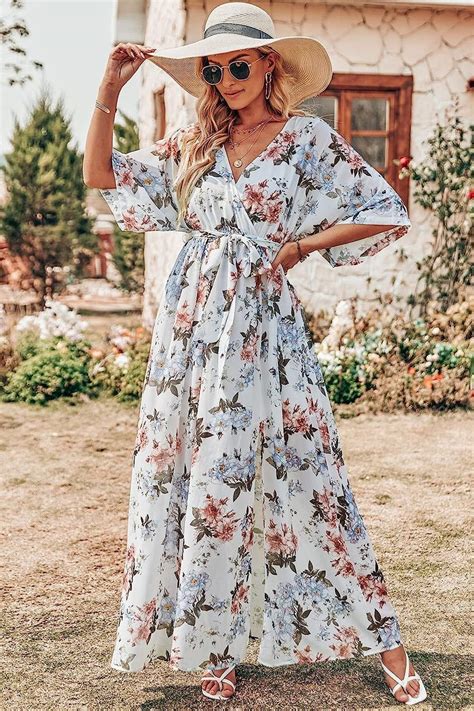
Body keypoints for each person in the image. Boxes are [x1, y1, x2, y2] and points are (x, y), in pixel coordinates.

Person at [83, 2, 427, 705]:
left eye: (239, 64)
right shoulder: (195, 142)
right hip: (191, 339)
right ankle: (216, 644)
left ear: (270, 63)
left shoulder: (305, 139)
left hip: (267, 333)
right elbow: (101, 176)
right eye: (214, 70)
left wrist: (302, 244)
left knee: (313, 476)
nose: (227, 79)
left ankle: (388, 647)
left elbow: (384, 209)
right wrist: (109, 91)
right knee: (207, 483)